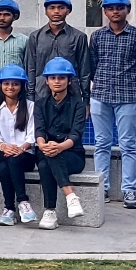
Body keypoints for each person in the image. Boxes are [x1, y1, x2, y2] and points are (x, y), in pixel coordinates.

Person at [88, 0, 136, 208]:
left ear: (128, 10)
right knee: (101, 143)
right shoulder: (97, 36)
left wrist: (134, 87)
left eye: (119, 8)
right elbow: (93, 65)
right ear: (105, 12)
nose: (115, 12)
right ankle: (102, 188)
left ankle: (129, 190)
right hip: (101, 96)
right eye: (110, 8)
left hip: (128, 97)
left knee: (128, 145)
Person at [34, 58, 89, 230]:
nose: (57, 81)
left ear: (69, 80)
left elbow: (75, 134)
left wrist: (59, 147)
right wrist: (42, 145)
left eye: (61, 78)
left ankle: (50, 210)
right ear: (47, 81)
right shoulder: (41, 104)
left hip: (72, 154)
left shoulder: (78, 105)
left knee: (46, 163)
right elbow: (39, 130)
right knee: (45, 161)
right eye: (53, 78)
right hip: (47, 150)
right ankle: (69, 197)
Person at [0, 65, 39, 227]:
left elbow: (32, 134)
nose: (10, 87)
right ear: (1, 85)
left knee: (7, 165)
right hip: (0, 152)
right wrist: (3, 146)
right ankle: (23, 202)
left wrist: (22, 148)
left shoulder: (31, 106)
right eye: (6, 83)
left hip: (25, 153)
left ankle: (10, 208)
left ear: (22, 86)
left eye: (15, 84)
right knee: (6, 161)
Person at [24, 0, 91, 101]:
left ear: (68, 11)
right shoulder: (35, 37)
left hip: (71, 94)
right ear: (46, 11)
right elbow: (30, 68)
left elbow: (84, 70)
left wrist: (86, 99)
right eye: (52, 8)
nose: (56, 11)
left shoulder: (79, 37)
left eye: (61, 8)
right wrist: (30, 97)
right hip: (41, 94)